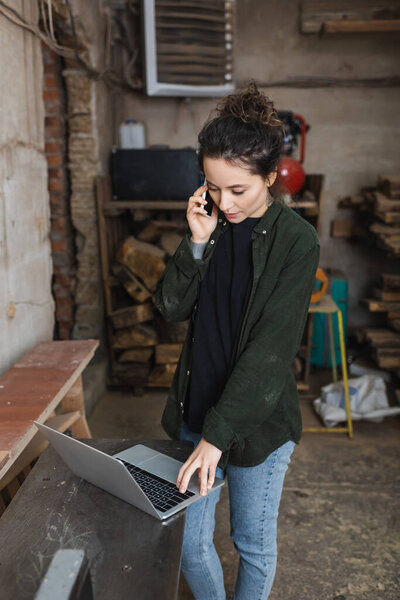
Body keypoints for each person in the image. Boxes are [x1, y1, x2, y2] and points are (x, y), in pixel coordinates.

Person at [155, 81, 320, 600]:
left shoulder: (297, 243)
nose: (223, 202)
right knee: (188, 545)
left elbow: (269, 355)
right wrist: (196, 242)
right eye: (212, 186)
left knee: (251, 542)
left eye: (238, 190)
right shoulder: (213, 225)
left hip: (257, 425)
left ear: (271, 177)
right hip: (196, 409)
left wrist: (217, 436)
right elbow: (170, 308)